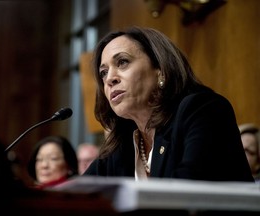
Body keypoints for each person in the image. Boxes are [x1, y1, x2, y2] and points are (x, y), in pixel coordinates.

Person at [83, 26, 254, 182]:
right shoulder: (122, 145)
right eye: (103, 73)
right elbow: (75, 194)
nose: (110, 79)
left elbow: (186, 190)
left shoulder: (202, 110)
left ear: (161, 70)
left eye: (122, 62)